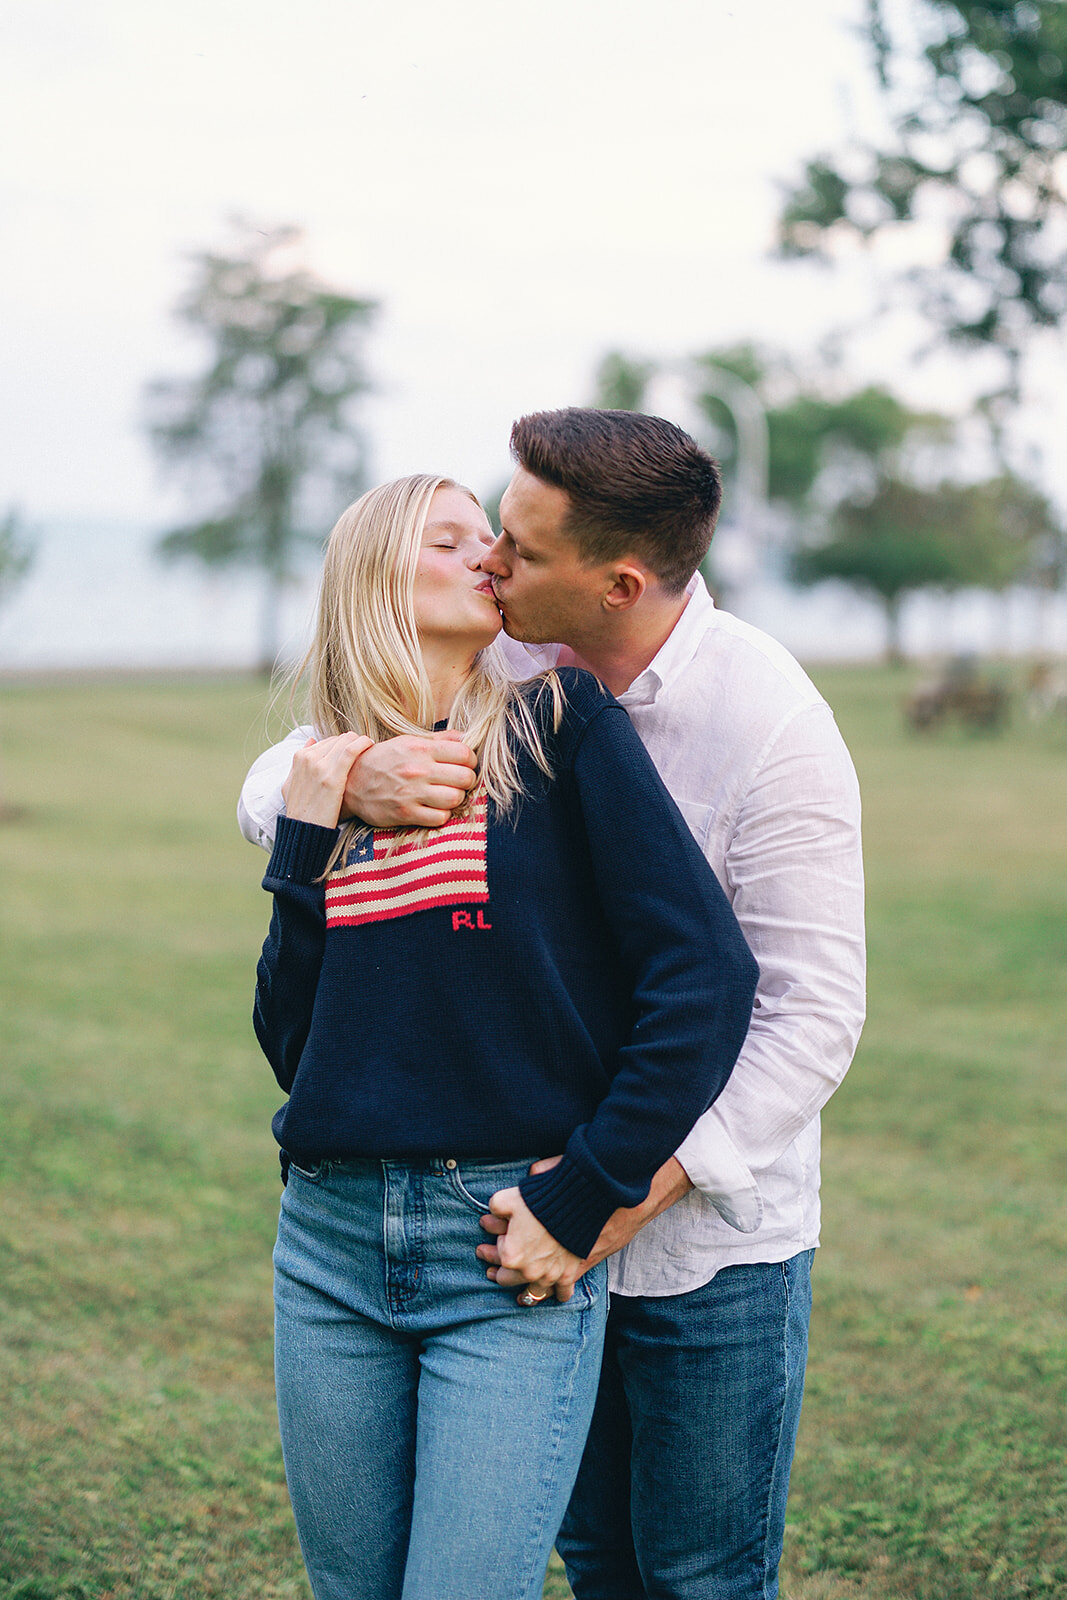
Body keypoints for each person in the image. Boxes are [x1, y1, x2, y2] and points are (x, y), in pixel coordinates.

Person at [240, 413, 867, 1600]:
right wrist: (333, 788)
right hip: (468, 1223)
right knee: (596, 1563)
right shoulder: (515, 659)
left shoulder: (748, 718)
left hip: (693, 1231)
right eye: (474, 538)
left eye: (512, 550)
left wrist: (604, 1194)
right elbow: (300, 782)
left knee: (693, 1574)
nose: (491, 563)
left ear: (615, 583)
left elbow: (802, 1009)